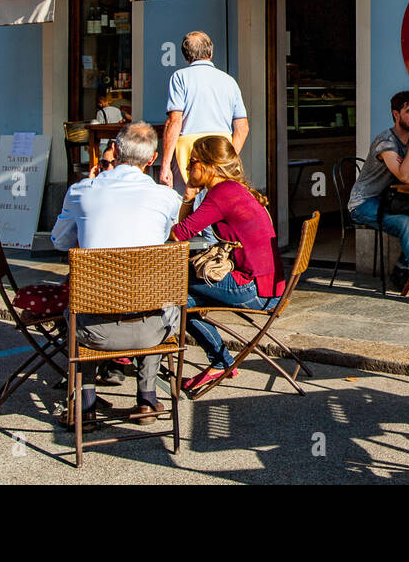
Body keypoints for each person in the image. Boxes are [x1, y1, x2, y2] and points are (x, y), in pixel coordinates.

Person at [51, 122, 183, 427]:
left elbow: (58, 241)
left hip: (92, 331)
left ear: (116, 152)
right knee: (160, 298)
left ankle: (86, 405)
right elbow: (165, 238)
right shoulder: (167, 198)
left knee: (79, 303)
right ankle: (147, 400)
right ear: (151, 161)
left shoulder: (81, 191)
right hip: (153, 331)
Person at [169, 135, 282, 395]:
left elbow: (179, 233)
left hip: (254, 290)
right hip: (270, 287)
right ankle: (220, 362)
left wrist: (188, 195)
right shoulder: (232, 189)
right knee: (184, 297)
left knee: (176, 290)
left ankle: (220, 361)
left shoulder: (221, 194)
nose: (187, 168)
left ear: (208, 165)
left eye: (192, 162)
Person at [348, 91, 409, 288]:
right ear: (396, 114)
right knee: (406, 223)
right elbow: (404, 177)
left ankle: (403, 267)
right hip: (363, 203)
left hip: (389, 199)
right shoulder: (386, 142)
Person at [158, 31, 249, 190]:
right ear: (211, 52)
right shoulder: (229, 81)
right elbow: (242, 127)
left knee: (186, 204)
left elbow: (174, 121)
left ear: (185, 56)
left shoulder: (180, 77)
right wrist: (229, 158)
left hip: (189, 151)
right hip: (221, 147)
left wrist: (165, 165)